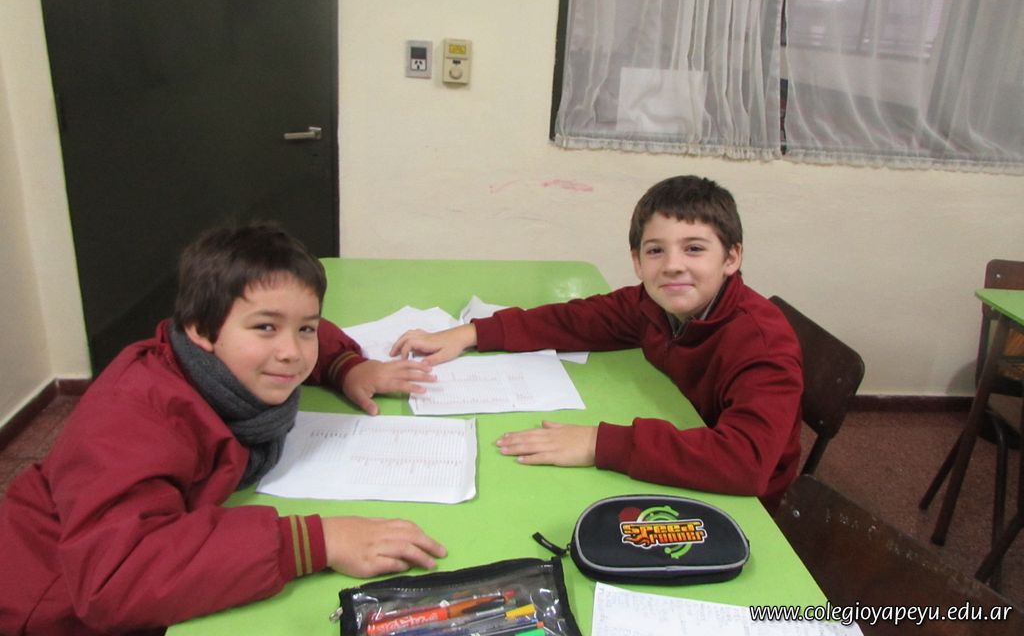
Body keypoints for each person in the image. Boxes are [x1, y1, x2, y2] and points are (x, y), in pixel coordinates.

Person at [0, 223, 445, 635]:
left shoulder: (216, 360)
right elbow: (115, 579)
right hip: (51, 610)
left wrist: (346, 367)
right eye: (266, 327)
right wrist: (314, 542)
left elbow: (299, 327)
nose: (292, 351)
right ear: (200, 328)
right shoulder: (134, 416)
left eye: (304, 329)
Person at [391, 175, 803, 510]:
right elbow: (579, 320)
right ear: (637, 261)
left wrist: (596, 442)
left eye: (694, 249)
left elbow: (746, 462)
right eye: (656, 251)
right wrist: (473, 333)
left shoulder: (761, 343)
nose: (673, 265)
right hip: (683, 442)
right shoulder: (653, 303)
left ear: (731, 258)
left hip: (742, 502)